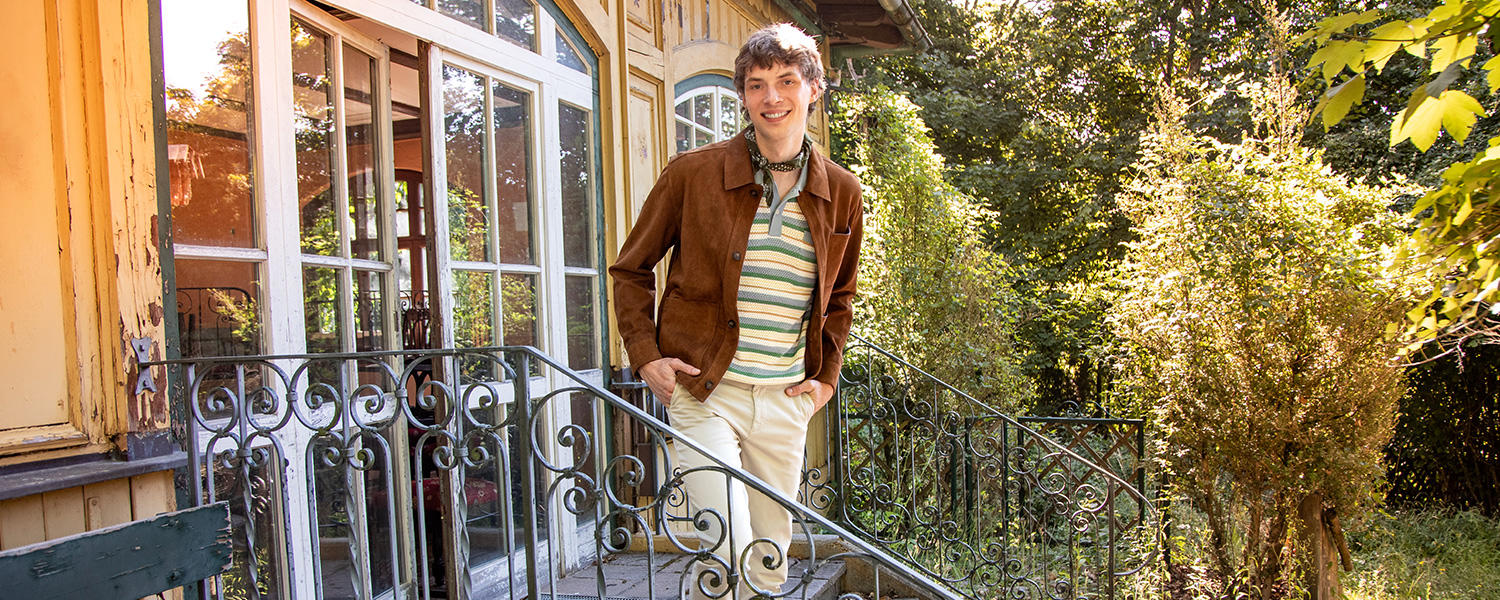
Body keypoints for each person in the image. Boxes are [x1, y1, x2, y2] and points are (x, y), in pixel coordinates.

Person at [608, 22, 863, 598]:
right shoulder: (693, 173)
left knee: (768, 559)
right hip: (705, 392)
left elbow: (840, 296)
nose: (772, 97)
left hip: (784, 398)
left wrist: (826, 379)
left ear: (813, 89)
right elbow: (630, 269)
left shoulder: (842, 191)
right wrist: (645, 355)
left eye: (786, 81)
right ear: (743, 96)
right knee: (727, 545)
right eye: (756, 84)